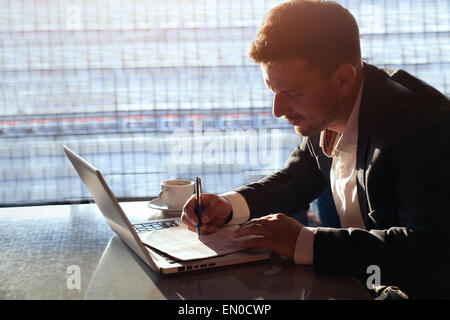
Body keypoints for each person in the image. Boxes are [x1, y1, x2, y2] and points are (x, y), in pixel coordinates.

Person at [182, 0, 450, 299]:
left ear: (343, 78)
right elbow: (296, 179)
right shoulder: (331, 106)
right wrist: (229, 205)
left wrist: (305, 242)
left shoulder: (422, 127)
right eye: (273, 91)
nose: (277, 110)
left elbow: (432, 253)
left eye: (292, 94)